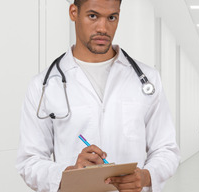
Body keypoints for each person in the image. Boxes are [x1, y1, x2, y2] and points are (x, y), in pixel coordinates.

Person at [16, 0, 180, 191]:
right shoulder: (42, 85)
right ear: (73, 12)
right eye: (93, 16)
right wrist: (68, 174)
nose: (103, 28)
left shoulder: (148, 79)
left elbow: (166, 150)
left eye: (112, 17)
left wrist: (145, 176)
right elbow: (30, 161)